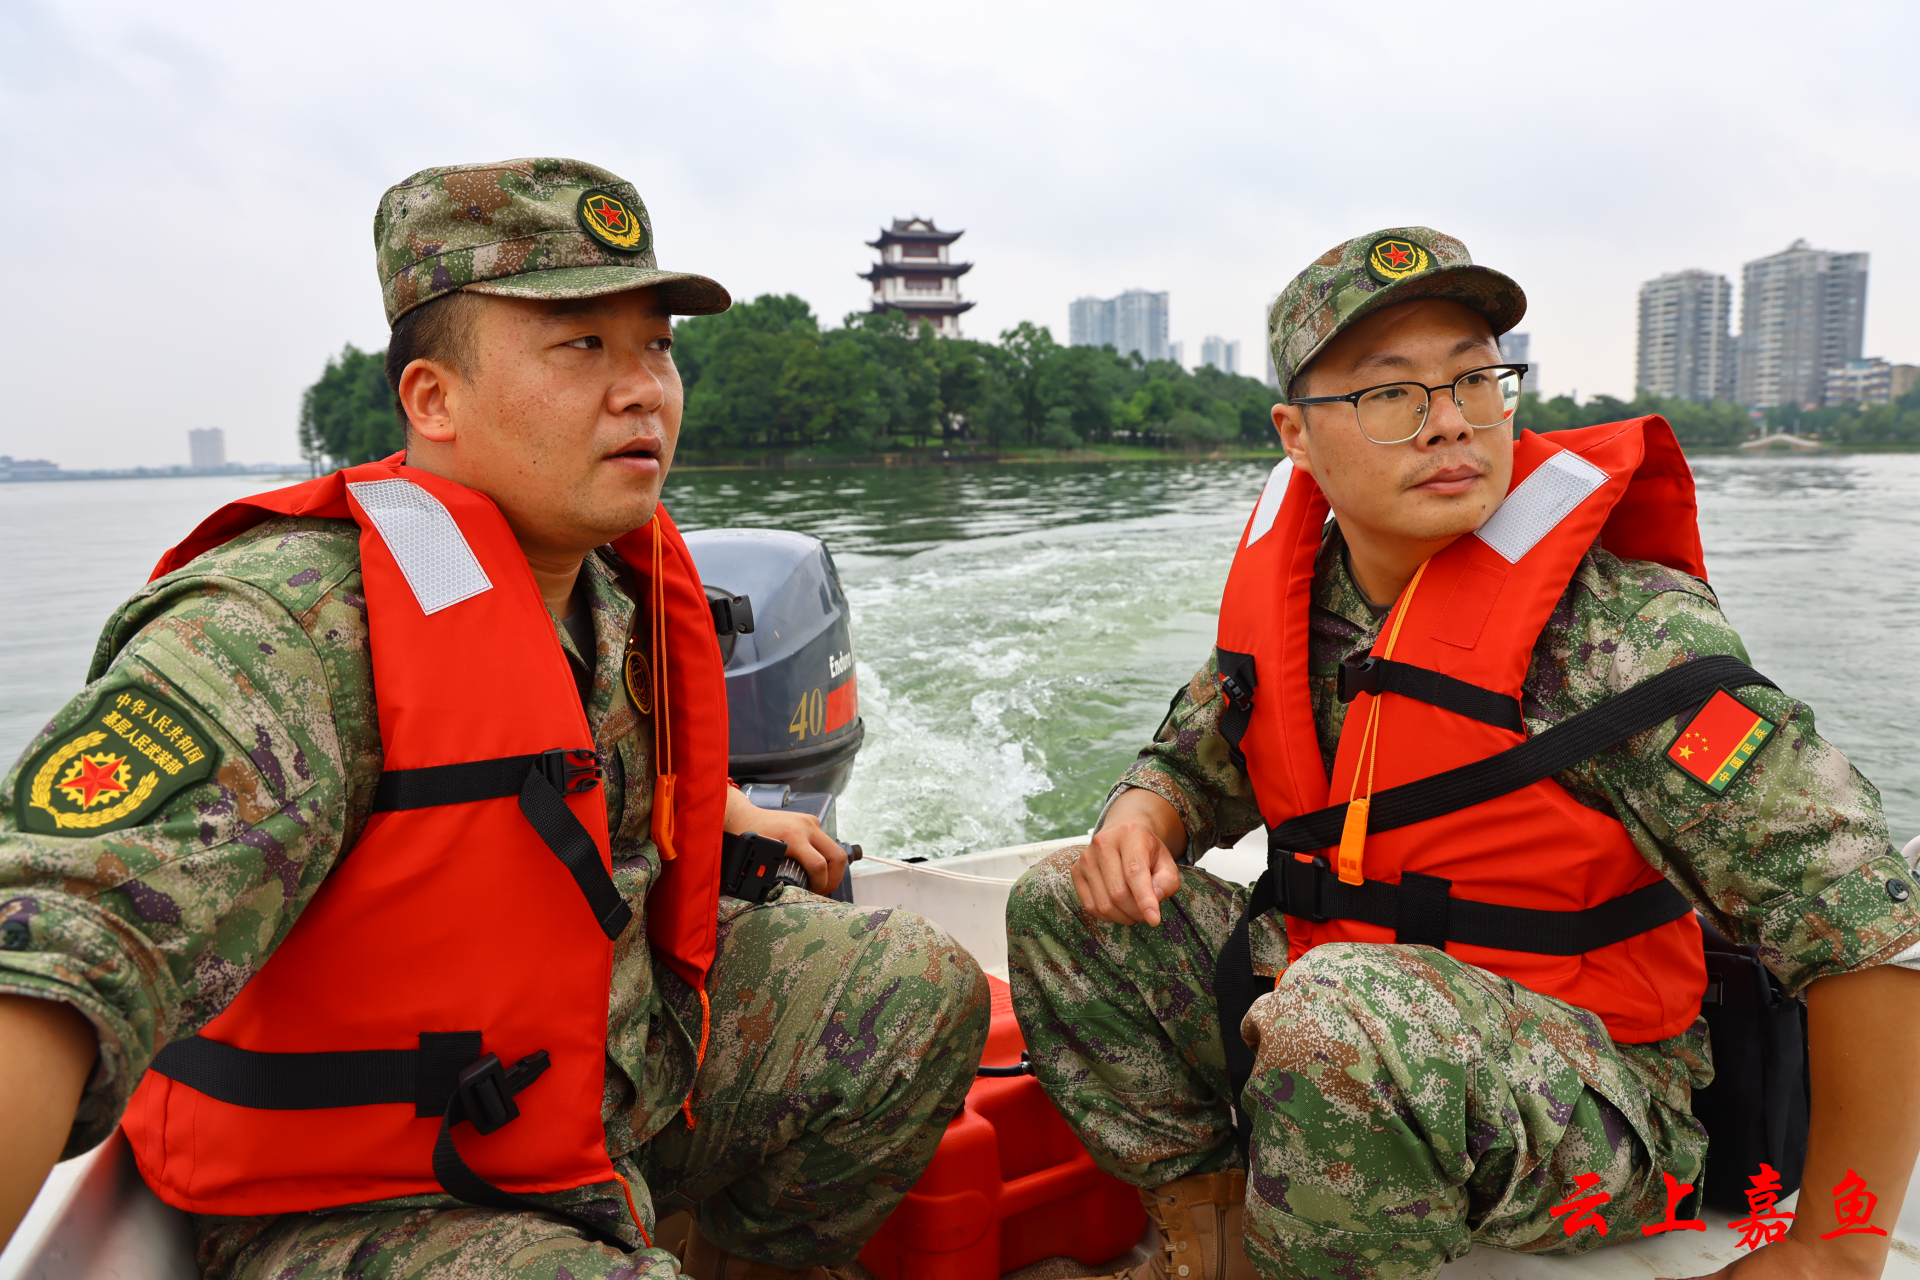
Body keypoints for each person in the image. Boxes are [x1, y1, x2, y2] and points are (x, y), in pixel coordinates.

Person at [0, 157, 989, 1280]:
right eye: (583, 346)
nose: (644, 391)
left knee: (912, 989)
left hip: (597, 1077)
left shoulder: (604, 585)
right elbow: (48, 934)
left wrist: (722, 813)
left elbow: (570, 773)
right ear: (434, 399)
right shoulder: (287, 628)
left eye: (657, 346)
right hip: (371, 1194)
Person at [1006, 227, 1920, 1280]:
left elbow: (1871, 920)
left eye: (1476, 379)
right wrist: (1144, 812)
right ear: (1296, 435)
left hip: (1604, 1099)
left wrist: (1833, 1251)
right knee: (1066, 906)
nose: (1449, 421)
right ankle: (1214, 1246)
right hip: (1341, 1012)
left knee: (1340, 1015)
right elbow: (1193, 758)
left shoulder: (1622, 638)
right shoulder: (1305, 605)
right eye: (1392, 393)